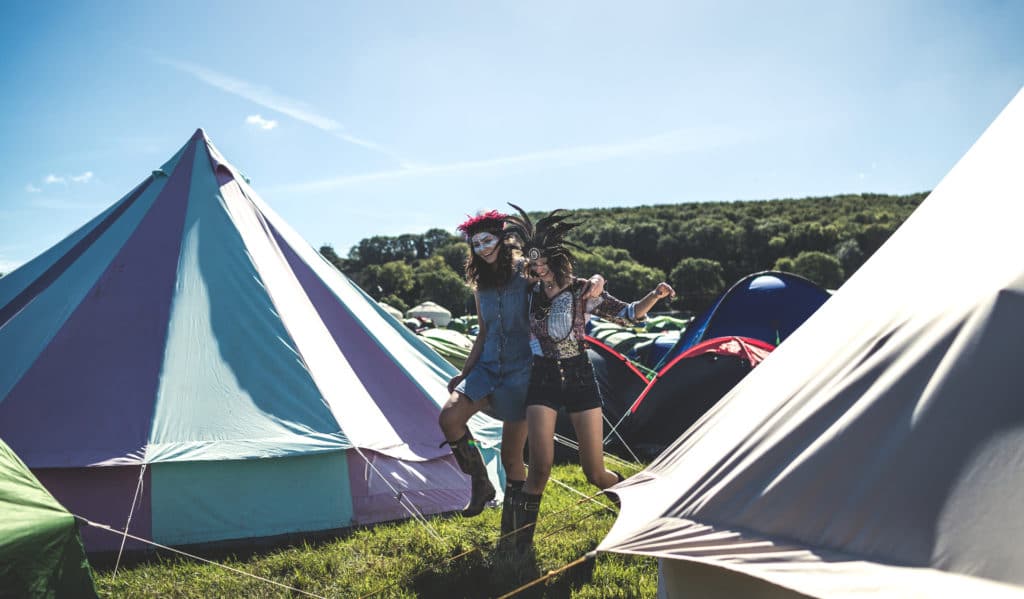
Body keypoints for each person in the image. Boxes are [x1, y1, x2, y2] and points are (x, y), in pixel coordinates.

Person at [505, 207, 675, 549]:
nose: (537, 267)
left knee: (594, 472)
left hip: (582, 377)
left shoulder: (583, 292)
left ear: (557, 259)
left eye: (542, 261)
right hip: (544, 379)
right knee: (539, 468)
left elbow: (628, 315)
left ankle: (640, 516)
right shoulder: (528, 295)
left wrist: (655, 296)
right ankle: (518, 548)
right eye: (532, 262)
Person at [438, 209, 605, 532]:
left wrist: (597, 281)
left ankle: (515, 530)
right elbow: (483, 333)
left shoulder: (526, 273)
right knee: (450, 418)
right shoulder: (479, 286)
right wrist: (465, 372)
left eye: (488, 240)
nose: (482, 248)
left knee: (512, 458)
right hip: (486, 369)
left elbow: (562, 280)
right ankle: (479, 482)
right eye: (476, 244)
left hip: (522, 373)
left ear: (502, 239)